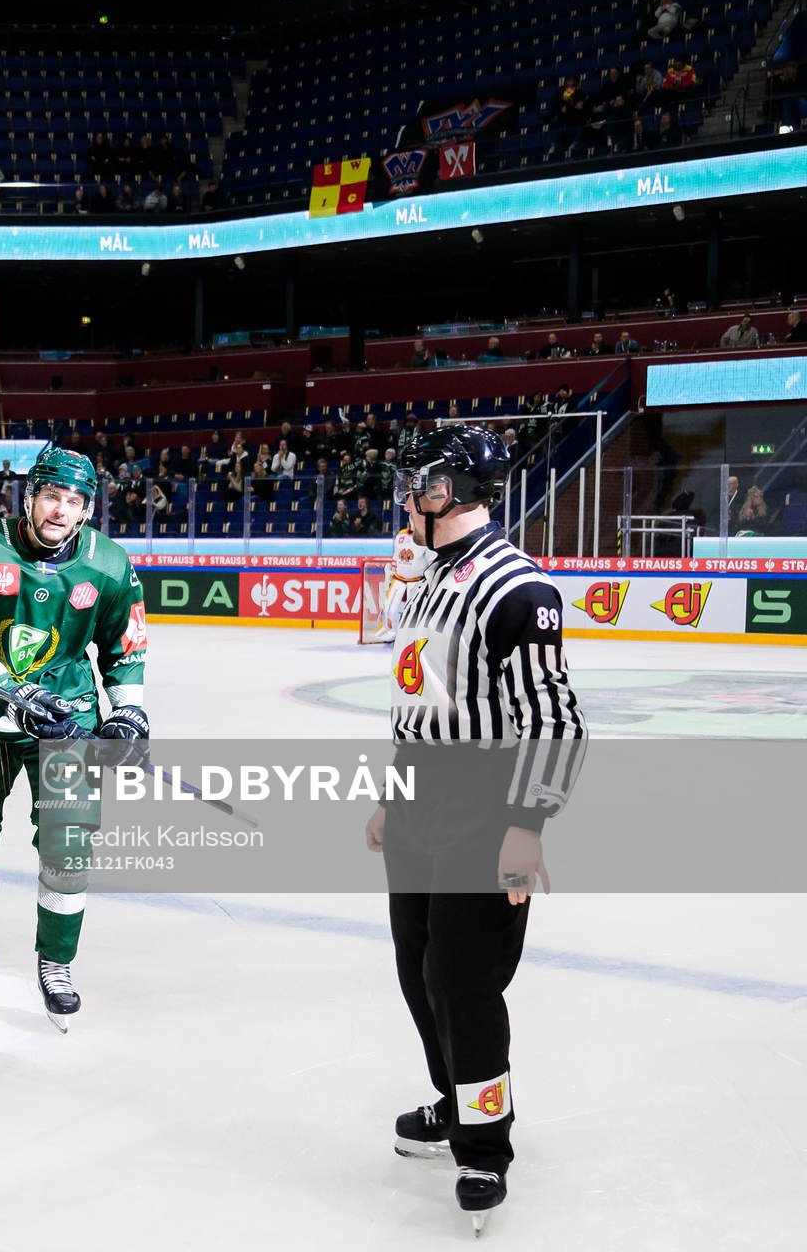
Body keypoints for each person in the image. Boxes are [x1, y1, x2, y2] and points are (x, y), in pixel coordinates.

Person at [367, 424, 586, 1234]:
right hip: (419, 794)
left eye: (416, 484)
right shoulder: (427, 577)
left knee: (464, 980)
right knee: (417, 966)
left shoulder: (515, 589)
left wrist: (528, 825)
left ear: (450, 490)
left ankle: (485, 1145)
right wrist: (393, 794)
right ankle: (454, 1098)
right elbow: (418, 701)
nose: (405, 498)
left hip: (486, 802)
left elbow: (557, 721)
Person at [0, 446, 149, 1029]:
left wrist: (128, 713)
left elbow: (124, 647)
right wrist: (19, 696)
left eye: (74, 501)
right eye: (52, 495)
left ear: (87, 509)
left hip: (68, 714)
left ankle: (56, 961)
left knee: (68, 845)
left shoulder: (108, 564)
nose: (61, 510)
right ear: (29, 497)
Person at [375, 525, 433, 644]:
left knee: (415, 613)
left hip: (418, 582)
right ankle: (396, 633)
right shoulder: (401, 535)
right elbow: (396, 556)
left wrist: (430, 580)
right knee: (390, 611)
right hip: (399, 580)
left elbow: (431, 561)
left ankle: (413, 636)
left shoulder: (426, 536)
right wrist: (391, 570)